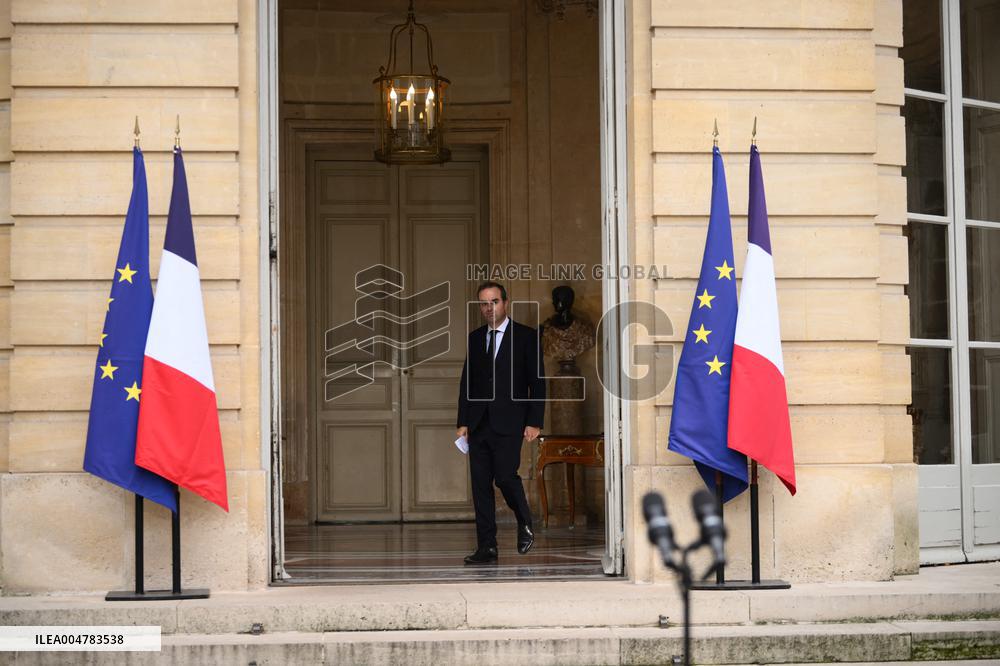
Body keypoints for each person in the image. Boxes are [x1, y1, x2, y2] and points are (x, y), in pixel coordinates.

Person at [456, 281, 545, 565]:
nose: (489, 308)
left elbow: (537, 382)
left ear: (505, 303)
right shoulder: (475, 338)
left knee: (505, 477)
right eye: (484, 303)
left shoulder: (526, 337)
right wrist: (463, 421)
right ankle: (487, 547)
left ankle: (524, 521)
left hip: (510, 421)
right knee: (480, 486)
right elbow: (467, 382)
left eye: (494, 302)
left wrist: (535, 421)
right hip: (478, 422)